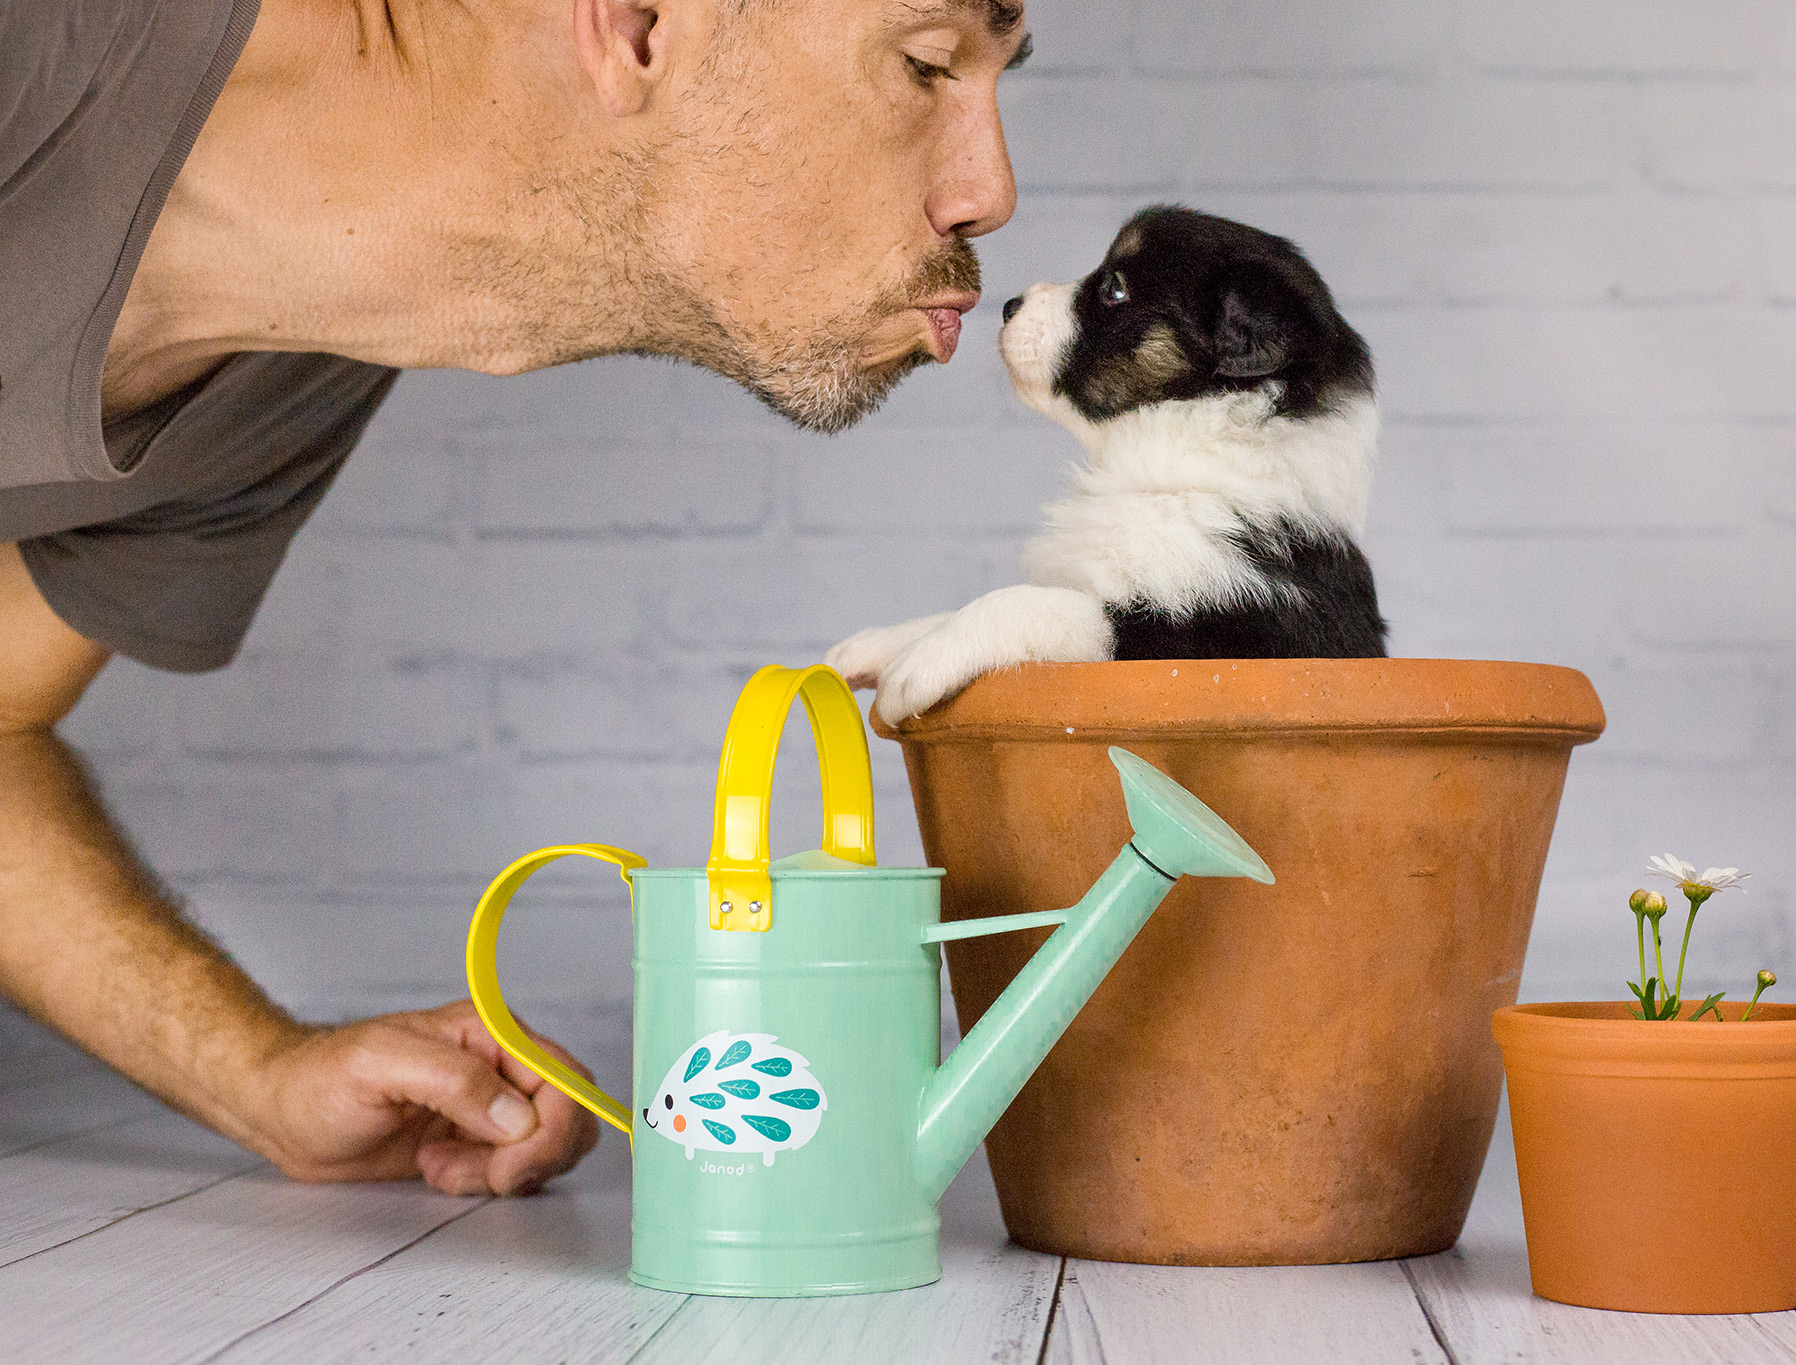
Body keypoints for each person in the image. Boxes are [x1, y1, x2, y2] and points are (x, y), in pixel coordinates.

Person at [0, 0, 1026, 1196]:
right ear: (641, 24)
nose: (987, 192)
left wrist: (257, 1075)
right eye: (923, 65)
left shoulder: (291, 369)